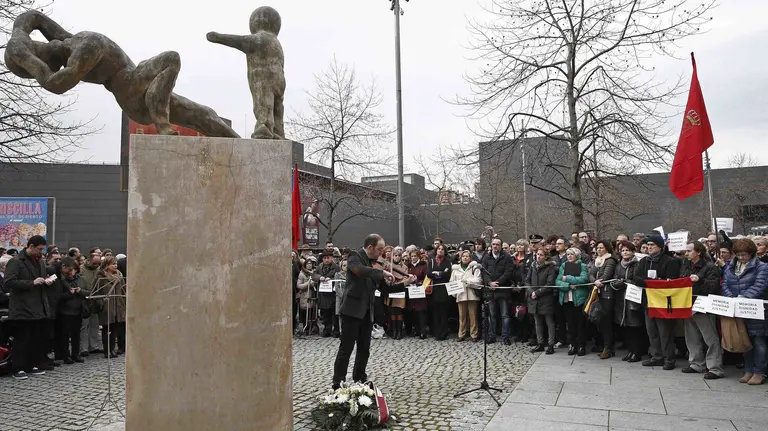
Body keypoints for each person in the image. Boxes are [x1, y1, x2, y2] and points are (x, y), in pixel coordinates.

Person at [332, 234, 416, 389]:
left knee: (364, 349)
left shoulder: (375, 266)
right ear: (370, 247)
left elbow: (385, 289)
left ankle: (359, 378)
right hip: (352, 311)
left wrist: (405, 282)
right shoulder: (354, 256)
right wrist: (382, 273)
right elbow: (360, 271)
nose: (381, 254)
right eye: (379, 249)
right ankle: (338, 382)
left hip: (366, 313)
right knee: (346, 348)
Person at [5, 235, 54, 380]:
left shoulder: (40, 262)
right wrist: (32, 283)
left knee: (35, 339)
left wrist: (46, 281)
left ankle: (30, 364)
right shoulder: (15, 262)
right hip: (22, 308)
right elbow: (9, 282)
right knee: (22, 339)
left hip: (38, 307)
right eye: (39, 249)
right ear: (30, 246)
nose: (41, 252)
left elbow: (41, 277)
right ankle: (17, 368)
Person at [633, 235, 682, 370]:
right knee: (652, 331)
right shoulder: (644, 261)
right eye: (648, 245)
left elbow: (670, 281)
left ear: (660, 247)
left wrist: (648, 281)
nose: (649, 247)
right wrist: (654, 282)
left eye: (652, 245)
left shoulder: (669, 261)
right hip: (648, 300)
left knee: (665, 332)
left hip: (663, 302)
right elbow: (636, 278)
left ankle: (669, 358)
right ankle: (657, 356)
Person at [680, 241, 724, 379]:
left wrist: (699, 280)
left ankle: (715, 367)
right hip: (688, 304)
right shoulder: (685, 265)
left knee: (710, 337)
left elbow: (713, 287)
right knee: (692, 336)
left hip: (703, 305)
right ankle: (696, 363)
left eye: (689, 250)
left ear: (698, 252)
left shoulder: (710, 267)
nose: (686, 253)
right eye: (686, 250)